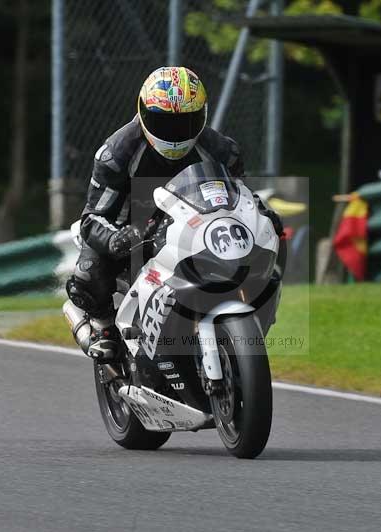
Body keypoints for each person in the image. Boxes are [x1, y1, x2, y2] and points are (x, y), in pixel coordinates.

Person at [65, 66, 281, 361]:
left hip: (194, 226)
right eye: (162, 123)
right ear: (142, 113)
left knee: (263, 265)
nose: (174, 135)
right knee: (89, 272)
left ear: (202, 116)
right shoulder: (117, 153)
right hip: (132, 233)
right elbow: (92, 218)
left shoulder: (222, 150)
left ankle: (242, 335)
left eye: (185, 123)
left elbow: (241, 197)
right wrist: (116, 238)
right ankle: (103, 327)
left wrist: (263, 213)